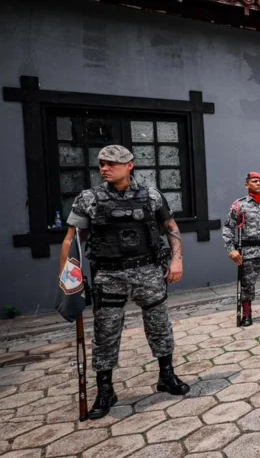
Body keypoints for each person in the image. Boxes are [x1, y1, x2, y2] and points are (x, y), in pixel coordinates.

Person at [60, 145, 189, 419]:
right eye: (102, 164)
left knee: (159, 326)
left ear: (129, 165)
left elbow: (171, 229)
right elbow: (73, 239)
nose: (104, 168)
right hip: (109, 275)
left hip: (148, 271)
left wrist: (177, 261)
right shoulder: (89, 199)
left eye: (111, 164)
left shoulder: (152, 196)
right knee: (105, 333)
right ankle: (105, 389)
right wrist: (68, 277)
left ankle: (167, 375)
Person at [223, 172, 260, 326]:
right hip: (249, 250)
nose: (258, 184)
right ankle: (247, 312)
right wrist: (231, 248)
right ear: (247, 185)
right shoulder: (239, 205)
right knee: (247, 283)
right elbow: (228, 228)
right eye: (254, 181)